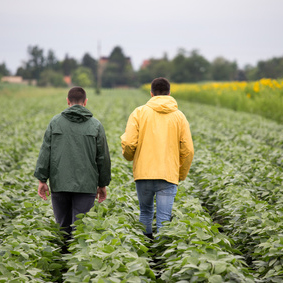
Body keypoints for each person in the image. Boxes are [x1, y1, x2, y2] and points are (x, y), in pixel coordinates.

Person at [34, 86, 111, 241]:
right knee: (81, 230)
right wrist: (102, 184)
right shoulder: (95, 125)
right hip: (86, 185)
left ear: (68, 101)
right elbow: (103, 157)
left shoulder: (55, 122)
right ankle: (77, 261)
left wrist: (42, 180)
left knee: (62, 227)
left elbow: (45, 152)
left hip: (60, 183)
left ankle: (62, 259)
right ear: (85, 102)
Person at [121, 77, 194, 239]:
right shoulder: (179, 116)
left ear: (151, 93)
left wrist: (129, 157)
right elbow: (188, 150)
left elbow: (128, 143)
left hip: (143, 174)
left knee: (145, 212)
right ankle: (163, 256)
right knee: (164, 218)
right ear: (169, 93)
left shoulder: (139, 113)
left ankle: (144, 254)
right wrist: (180, 174)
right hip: (168, 175)